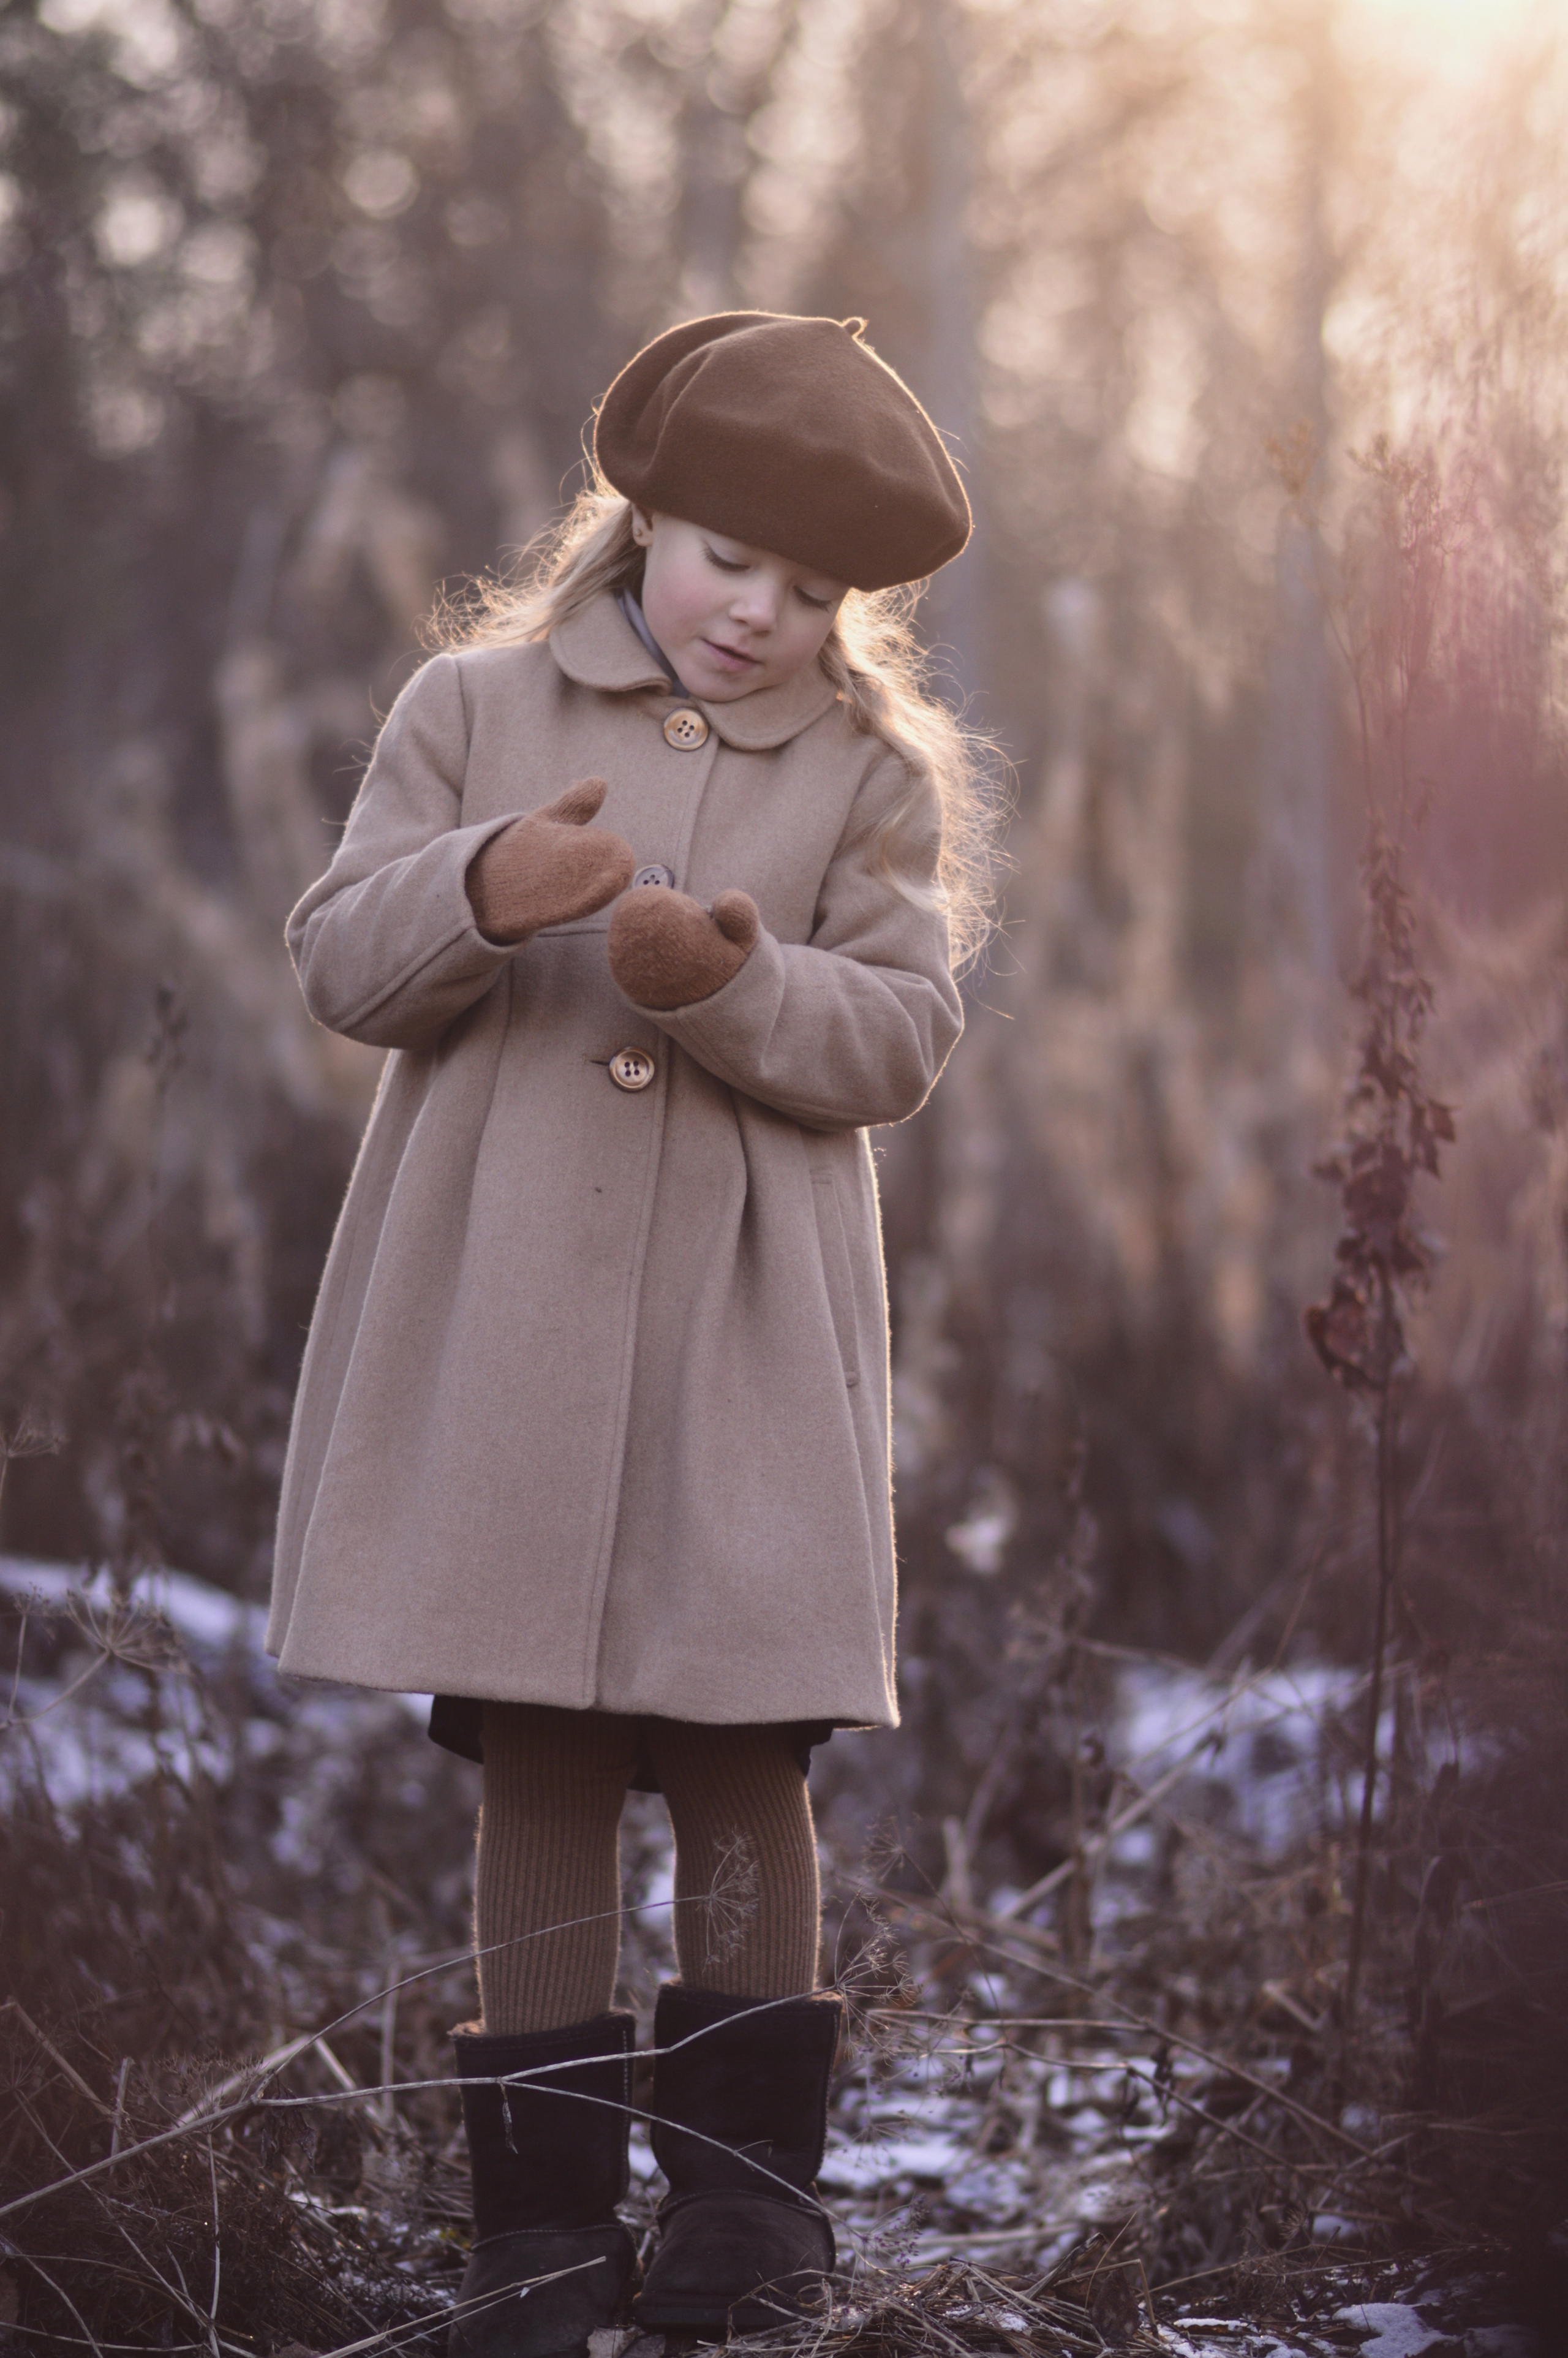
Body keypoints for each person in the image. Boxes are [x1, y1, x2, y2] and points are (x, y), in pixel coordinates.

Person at [266, 311, 992, 2358]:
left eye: (812, 589)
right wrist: (487, 885)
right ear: (643, 520)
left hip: (742, 1343)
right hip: (510, 1328)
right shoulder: (474, 706)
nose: (760, 611)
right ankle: (544, 2232)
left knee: (745, 1743)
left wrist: (730, 981)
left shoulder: (867, 775)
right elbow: (340, 958)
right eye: (728, 559)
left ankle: (750, 2222)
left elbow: (904, 1034)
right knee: (546, 1748)